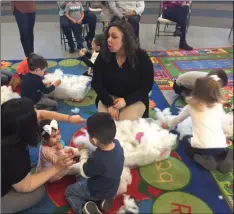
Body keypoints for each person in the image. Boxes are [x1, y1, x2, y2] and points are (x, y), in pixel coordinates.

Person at [1, 98, 84, 213]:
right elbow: (25, 186)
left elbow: (41, 114)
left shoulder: (8, 125)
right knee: (38, 191)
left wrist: (69, 118)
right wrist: (57, 167)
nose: (39, 115)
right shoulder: (15, 155)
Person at [163, 75, 233, 173]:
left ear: (195, 91)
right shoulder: (218, 106)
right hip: (221, 145)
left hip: (201, 147)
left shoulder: (191, 107)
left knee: (186, 143)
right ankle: (223, 157)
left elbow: (177, 120)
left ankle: (205, 159)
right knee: (216, 147)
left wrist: (168, 125)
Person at [92, 20, 154, 121]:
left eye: (114, 37)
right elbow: (96, 83)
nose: (109, 40)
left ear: (126, 40)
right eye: (108, 36)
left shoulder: (142, 57)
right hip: (108, 97)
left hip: (134, 99)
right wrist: (109, 103)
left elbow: (146, 87)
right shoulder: (103, 55)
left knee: (123, 125)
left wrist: (126, 101)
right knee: (107, 124)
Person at [65, 112, 124, 214]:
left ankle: (82, 210)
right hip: (113, 187)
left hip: (96, 190)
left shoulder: (98, 159)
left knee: (69, 191)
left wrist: (83, 152)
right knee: (105, 179)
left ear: (94, 140)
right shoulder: (117, 144)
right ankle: (107, 199)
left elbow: (84, 171)